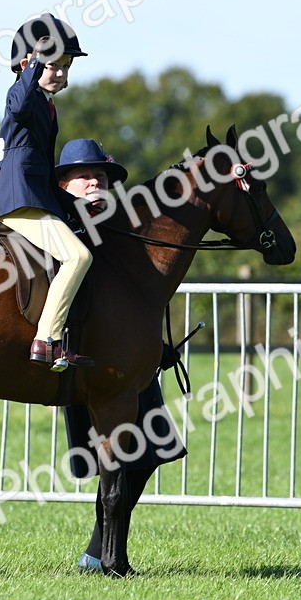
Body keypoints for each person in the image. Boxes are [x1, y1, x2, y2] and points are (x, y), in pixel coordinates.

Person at [53, 139, 189, 573]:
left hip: (127, 364)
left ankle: (99, 551)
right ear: (63, 185)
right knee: (118, 459)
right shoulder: (62, 229)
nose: (95, 182)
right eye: (84, 175)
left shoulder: (120, 229)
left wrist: (153, 345)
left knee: (151, 451)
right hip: (89, 367)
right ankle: (102, 555)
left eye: (101, 175)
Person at [0, 14, 93, 372]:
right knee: (78, 257)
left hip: (33, 195)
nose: (60, 73)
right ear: (26, 64)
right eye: (52, 65)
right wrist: (33, 64)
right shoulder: (24, 96)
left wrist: (73, 204)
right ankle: (48, 339)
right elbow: (16, 104)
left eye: (66, 66)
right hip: (18, 200)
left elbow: (43, 169)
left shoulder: (47, 105)